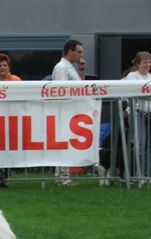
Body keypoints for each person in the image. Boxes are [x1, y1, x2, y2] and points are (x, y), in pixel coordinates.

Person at [52, 39, 83, 186]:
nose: (81, 55)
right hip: (65, 111)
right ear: (70, 51)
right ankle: (62, 177)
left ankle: (63, 175)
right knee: (64, 144)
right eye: (79, 51)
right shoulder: (61, 67)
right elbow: (62, 90)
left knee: (68, 144)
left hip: (71, 111)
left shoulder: (70, 67)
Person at [123, 51, 151, 180]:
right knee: (140, 144)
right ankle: (137, 174)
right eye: (145, 62)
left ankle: (149, 174)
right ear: (138, 64)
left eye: (149, 62)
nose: (148, 65)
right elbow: (135, 92)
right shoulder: (132, 76)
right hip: (138, 113)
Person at [0, 53, 22, 187]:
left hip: (13, 119)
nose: (2, 68)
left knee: (10, 148)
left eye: (5, 65)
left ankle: (5, 177)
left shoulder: (16, 80)